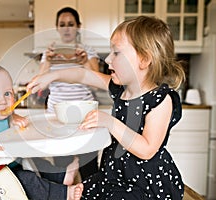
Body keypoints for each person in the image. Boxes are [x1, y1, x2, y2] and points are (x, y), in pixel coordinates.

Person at [28, 16, 185, 199]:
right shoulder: (120, 90)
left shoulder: (160, 100)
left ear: (144, 59)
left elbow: (147, 149)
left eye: (116, 53)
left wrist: (110, 123)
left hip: (144, 186)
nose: (108, 59)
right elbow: (83, 75)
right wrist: (51, 77)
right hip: (114, 176)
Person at [0, 62, 83, 200]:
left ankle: (61, 174)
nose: (2, 101)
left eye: (7, 93)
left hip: (10, 166)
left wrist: (14, 117)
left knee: (38, 162)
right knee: (27, 180)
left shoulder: (2, 115)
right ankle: (63, 194)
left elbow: (6, 120)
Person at [36, 6, 100, 181]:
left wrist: (85, 61)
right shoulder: (49, 52)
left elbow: (97, 84)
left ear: (78, 26)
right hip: (57, 117)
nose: (66, 28)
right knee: (62, 169)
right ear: (57, 27)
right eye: (62, 24)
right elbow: (39, 84)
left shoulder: (88, 50)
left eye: (70, 24)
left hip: (84, 117)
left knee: (89, 169)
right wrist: (47, 62)